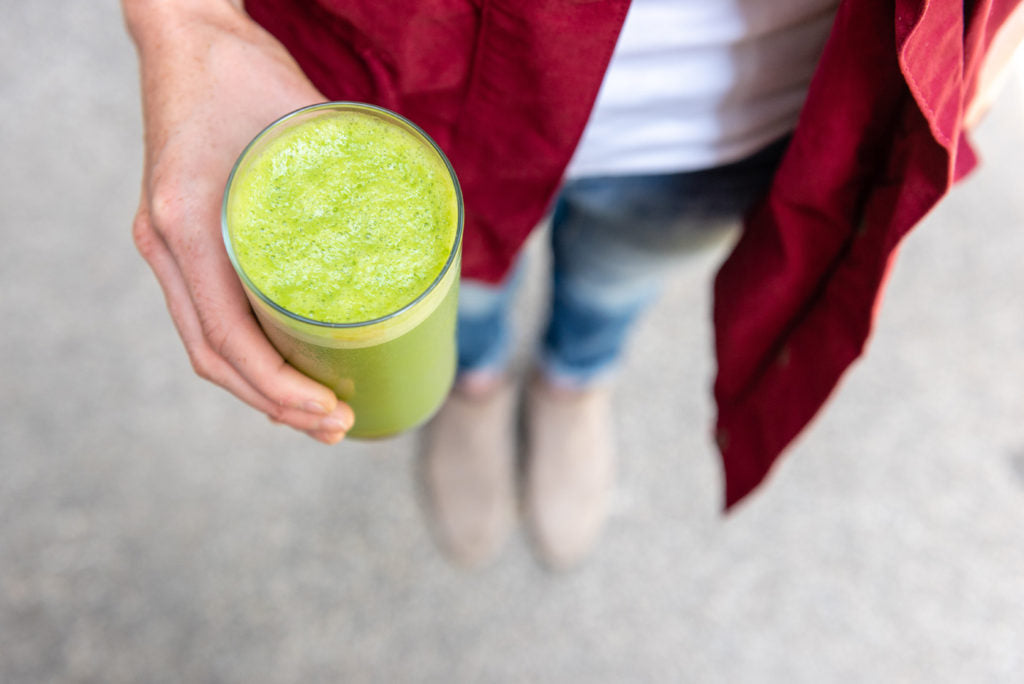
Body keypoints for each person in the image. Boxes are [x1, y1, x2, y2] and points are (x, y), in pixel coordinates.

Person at [122, 0, 1023, 569]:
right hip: (420, 71)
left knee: (622, 275)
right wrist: (178, 21)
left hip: (731, 108)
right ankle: (473, 387)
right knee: (449, 297)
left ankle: (575, 379)